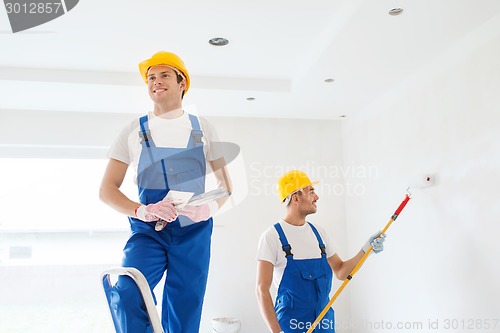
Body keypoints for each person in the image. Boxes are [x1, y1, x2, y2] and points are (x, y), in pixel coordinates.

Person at [99, 51, 232, 332]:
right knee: (126, 292)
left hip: (193, 232)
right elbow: (107, 190)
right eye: (151, 77)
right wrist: (141, 210)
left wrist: (209, 209)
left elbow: (226, 187)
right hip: (149, 231)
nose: (156, 82)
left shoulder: (203, 128)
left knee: (184, 311)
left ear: (182, 83)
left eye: (164, 75)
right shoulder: (134, 130)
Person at [256, 170, 385, 333]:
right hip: (291, 327)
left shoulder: (319, 234)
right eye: (311, 192)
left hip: (324, 325)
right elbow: (261, 289)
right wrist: (277, 332)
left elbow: (340, 271)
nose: (316, 197)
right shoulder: (272, 237)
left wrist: (367, 249)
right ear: (295, 198)